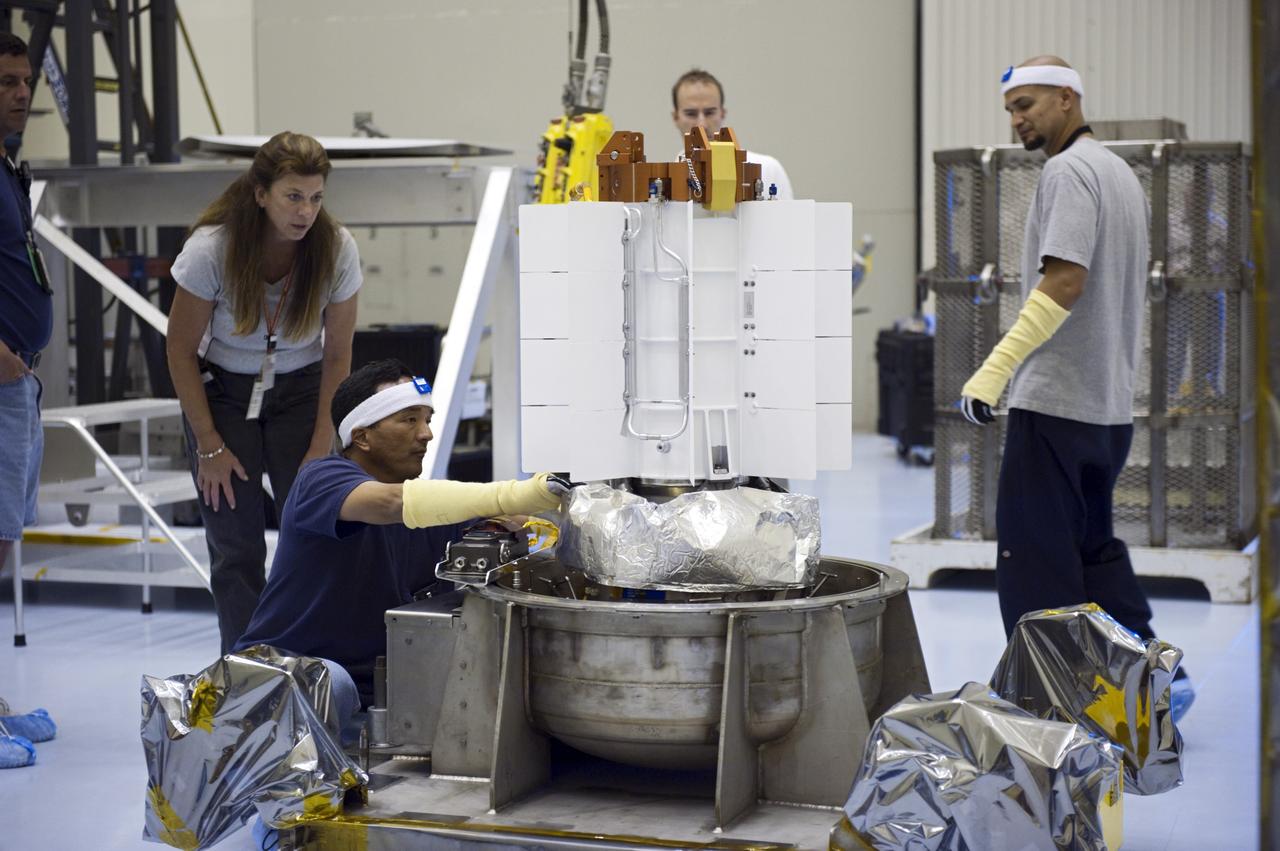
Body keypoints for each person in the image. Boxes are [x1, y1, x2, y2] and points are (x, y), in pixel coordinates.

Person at [958, 56, 1193, 719]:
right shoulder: (1120, 172)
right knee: (1093, 555)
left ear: (1068, 98)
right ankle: (1154, 680)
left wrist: (995, 369)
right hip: (1108, 409)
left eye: (1027, 103)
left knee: (1036, 565)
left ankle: (1051, 714)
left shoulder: (1067, 172)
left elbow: (1064, 280)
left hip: (1055, 402)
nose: (1017, 119)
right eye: (1010, 108)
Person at [233, 359, 566, 722]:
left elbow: (515, 523)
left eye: (427, 420)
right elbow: (391, 503)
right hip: (280, 683)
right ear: (361, 436)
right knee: (332, 683)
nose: (426, 434)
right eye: (409, 420)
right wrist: (517, 493)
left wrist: (567, 512)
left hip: (373, 698)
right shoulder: (320, 479)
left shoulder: (432, 515)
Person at [166, 131, 361, 654]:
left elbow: (339, 354)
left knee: (318, 534)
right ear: (260, 194)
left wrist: (325, 441)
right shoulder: (213, 249)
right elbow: (180, 350)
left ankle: (319, 663)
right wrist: (208, 444)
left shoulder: (336, 248)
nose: (305, 212)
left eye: (316, 198)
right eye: (293, 197)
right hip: (224, 396)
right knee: (236, 548)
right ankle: (246, 672)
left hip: (304, 392)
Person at [0, 33, 50, 624]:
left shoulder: (9, 167)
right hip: (5, 377)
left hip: (20, 383)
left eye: (26, 81)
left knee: (6, 535)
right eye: (6, 83)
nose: (21, 93)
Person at [671, 68, 794, 199]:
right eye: (691, 114)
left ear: (722, 113)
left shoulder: (769, 170)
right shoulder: (668, 180)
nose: (702, 125)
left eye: (710, 112)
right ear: (675, 117)